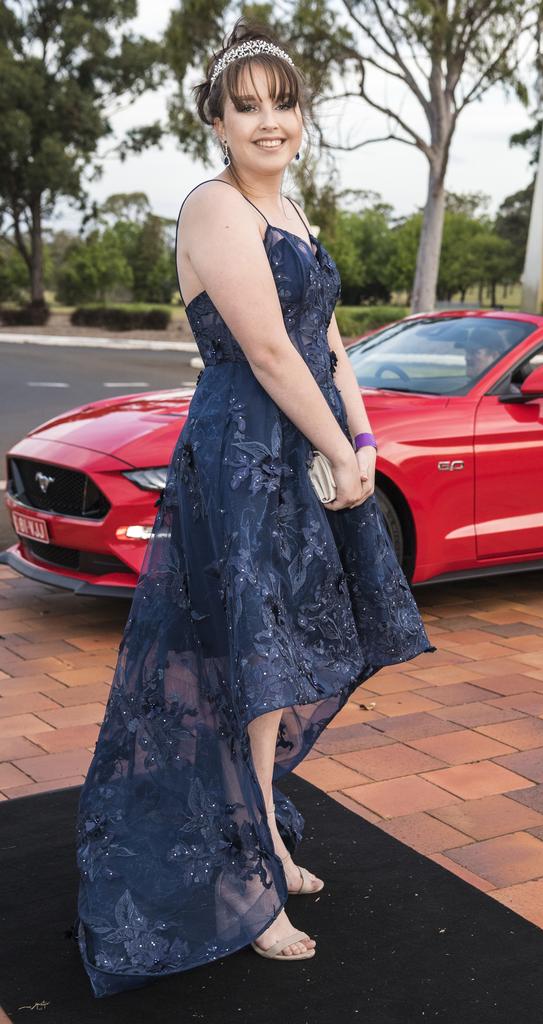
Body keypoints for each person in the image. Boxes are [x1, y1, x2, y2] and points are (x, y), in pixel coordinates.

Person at [74, 20, 435, 998]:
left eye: (285, 102)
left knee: (276, 668)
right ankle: (247, 880)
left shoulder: (294, 208)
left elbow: (330, 341)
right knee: (245, 661)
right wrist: (332, 445)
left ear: (303, 118)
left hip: (299, 447)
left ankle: (265, 835)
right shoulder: (213, 207)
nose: (270, 121)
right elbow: (272, 355)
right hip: (243, 458)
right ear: (218, 121)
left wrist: (363, 443)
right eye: (249, 105)